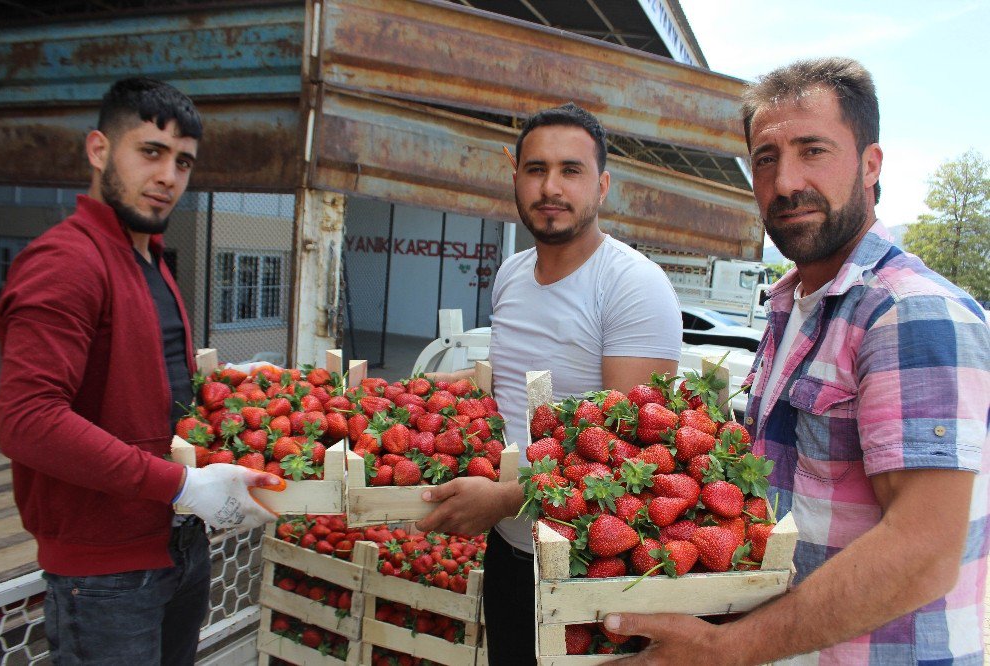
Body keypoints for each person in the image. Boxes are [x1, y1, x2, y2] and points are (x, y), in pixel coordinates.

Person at [603, 58, 990, 665]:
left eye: (813, 150)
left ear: (870, 165)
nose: (785, 183)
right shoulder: (795, 305)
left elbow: (924, 552)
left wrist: (726, 649)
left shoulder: (909, 313)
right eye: (765, 158)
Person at [0, 77, 279, 666]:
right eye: (150, 152)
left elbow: (138, 388)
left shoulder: (147, 257)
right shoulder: (66, 261)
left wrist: (226, 384)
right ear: (99, 150)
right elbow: (27, 421)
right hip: (106, 573)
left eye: (183, 162)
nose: (168, 177)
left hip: (176, 546)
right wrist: (176, 484)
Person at [416, 103, 682, 664]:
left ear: (602, 184)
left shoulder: (633, 285)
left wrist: (507, 498)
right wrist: (439, 392)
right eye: (535, 169)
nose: (550, 187)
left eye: (571, 170)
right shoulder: (512, 274)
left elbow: (638, 455)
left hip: (590, 564)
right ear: (514, 177)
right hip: (510, 553)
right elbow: (511, 390)